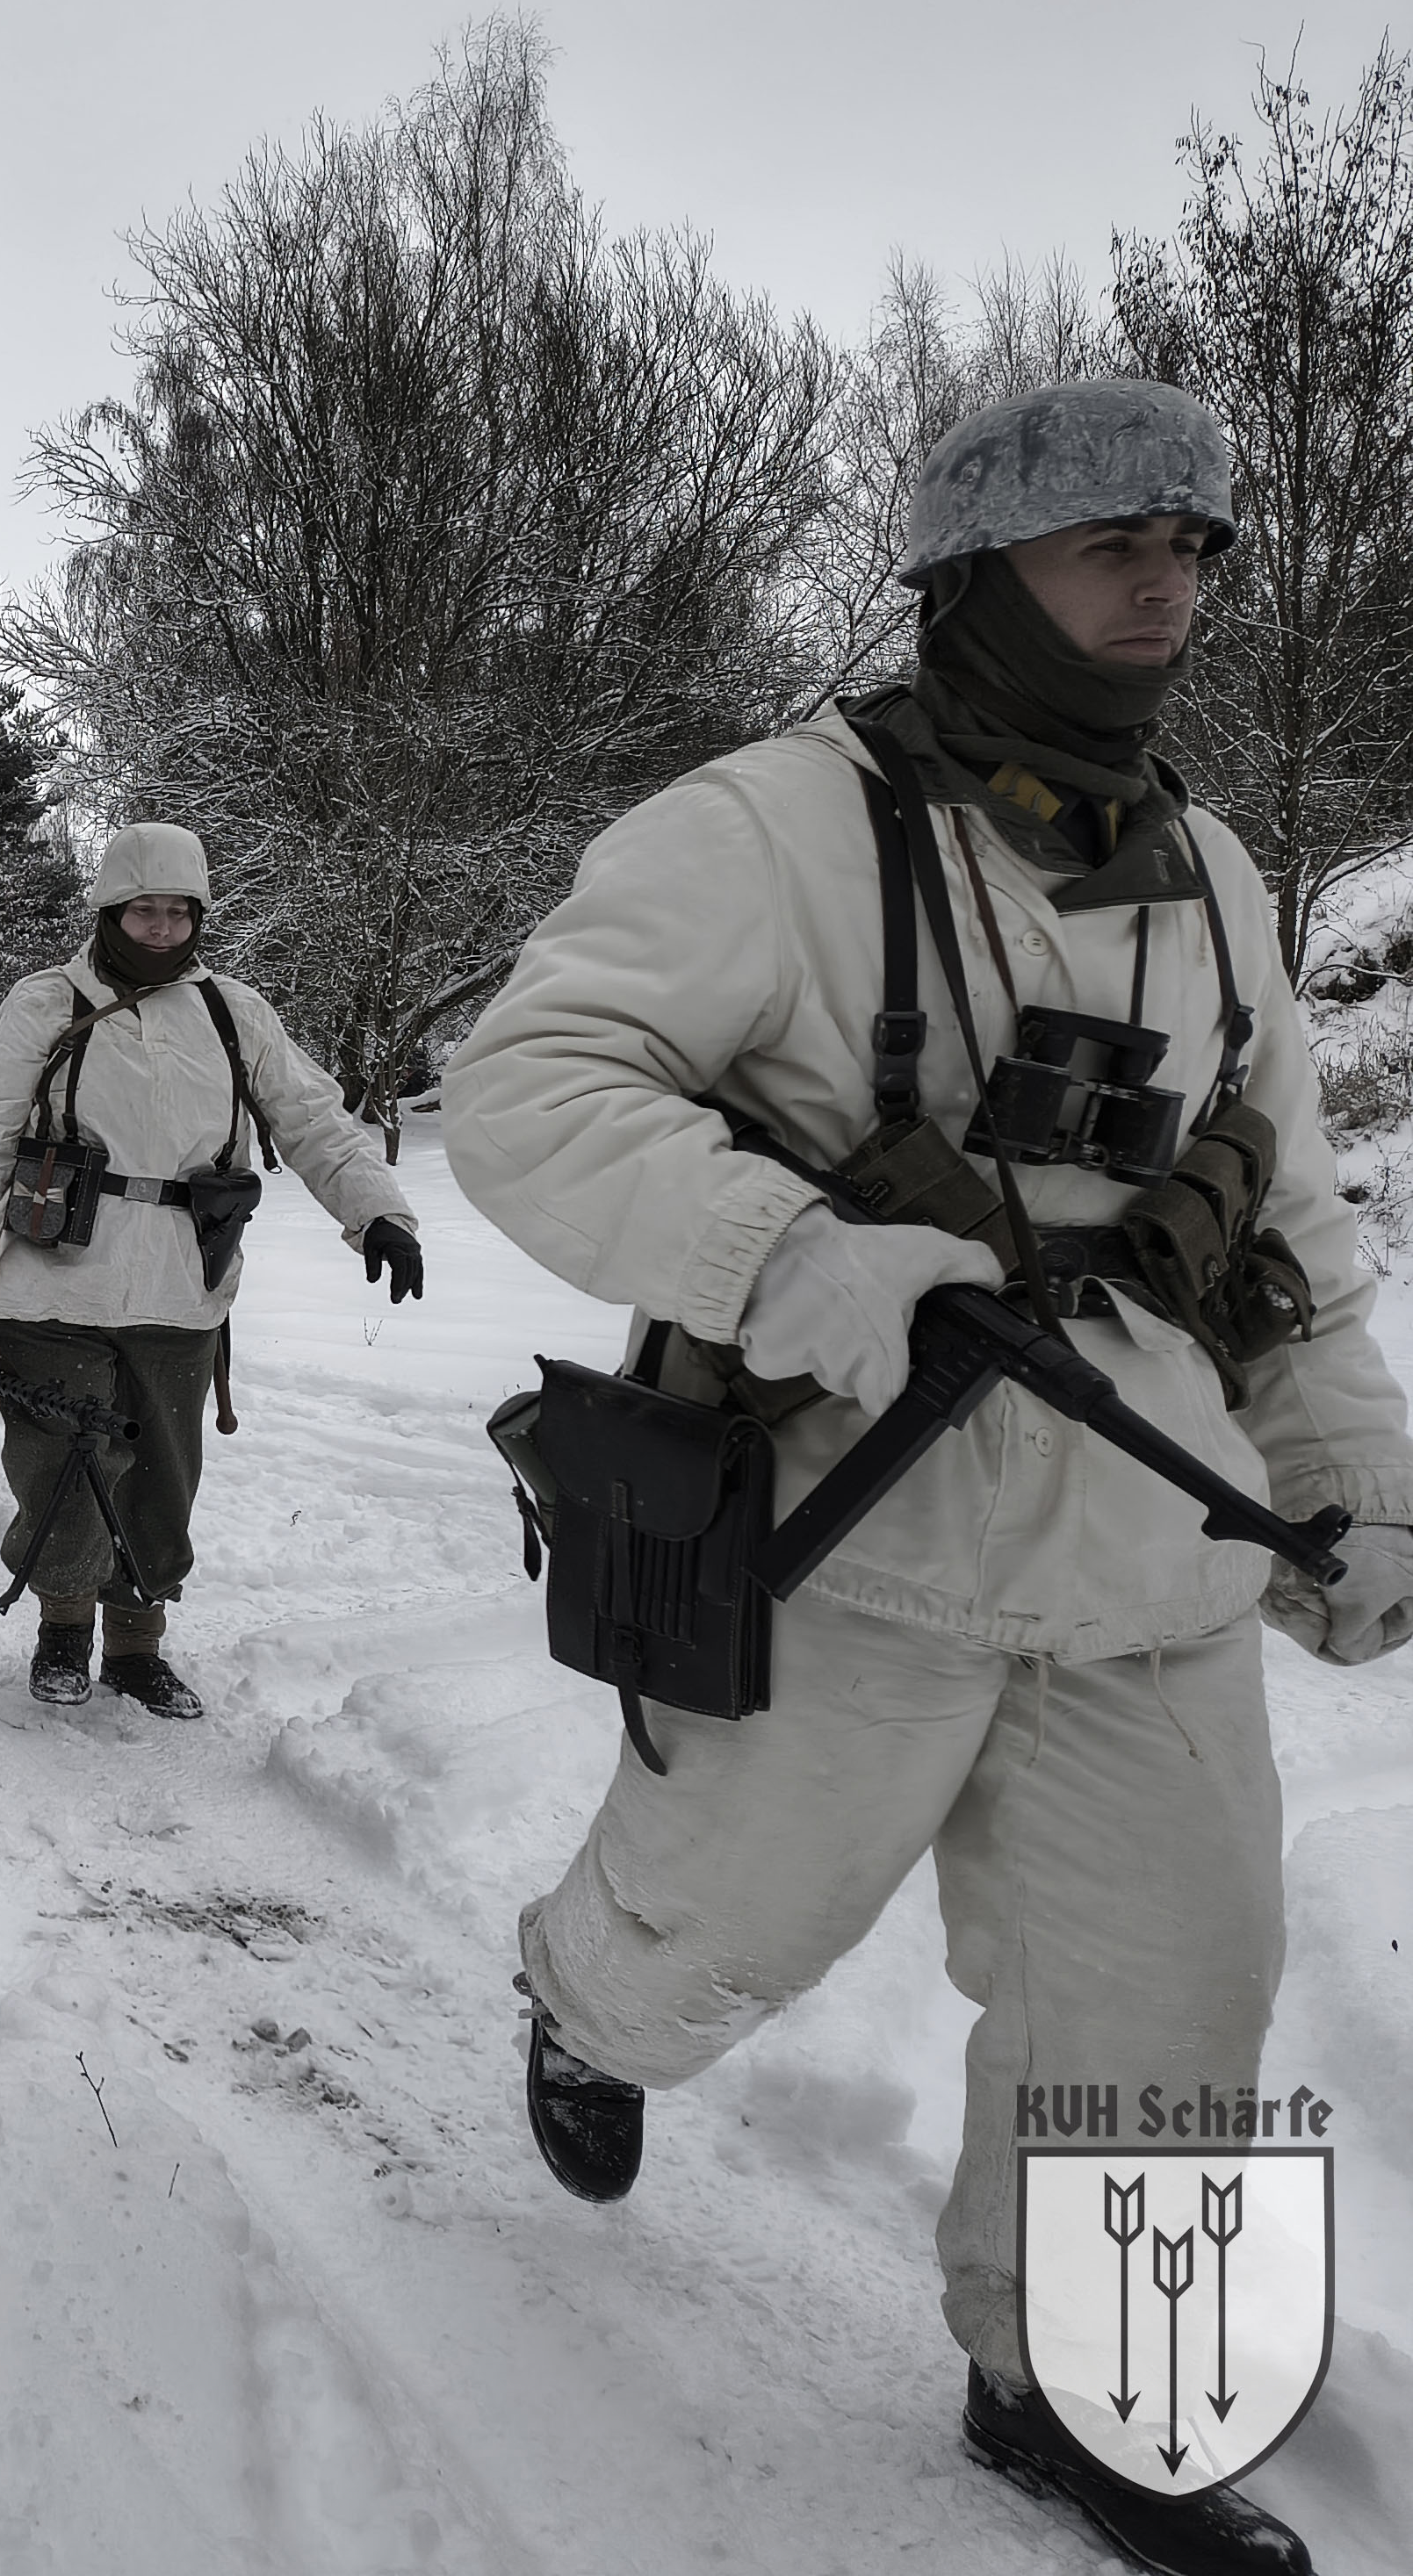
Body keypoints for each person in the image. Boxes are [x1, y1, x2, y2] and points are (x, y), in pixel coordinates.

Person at [440, 378, 1413, 2576]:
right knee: (716, 1932)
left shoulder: (1220, 871)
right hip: (846, 1524)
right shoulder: (774, 824)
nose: (1165, 581)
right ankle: (582, 2003)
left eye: (1190, 543)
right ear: (976, 579)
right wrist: (777, 1248)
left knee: (1178, 1987)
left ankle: (1086, 2385)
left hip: (1145, 1532)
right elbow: (529, 1083)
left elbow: (1291, 1214)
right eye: (1109, 545)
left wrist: (1349, 1458)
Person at [0, 823, 420, 1712]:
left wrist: (376, 1213)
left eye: (177, 912)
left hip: (180, 1288)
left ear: (198, 917)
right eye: (143, 910)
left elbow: (312, 1120)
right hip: (49, 1277)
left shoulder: (233, 1011)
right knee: (62, 1464)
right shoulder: (43, 1002)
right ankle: (63, 1630)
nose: (160, 927)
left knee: (159, 1477)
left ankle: (137, 1643)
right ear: (110, 910)